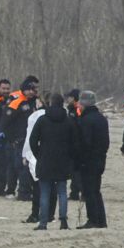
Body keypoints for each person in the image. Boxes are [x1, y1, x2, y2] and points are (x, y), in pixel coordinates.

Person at [29, 93, 78, 230]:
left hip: (45, 159)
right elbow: (74, 143)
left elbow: (33, 140)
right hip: (62, 161)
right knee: (62, 191)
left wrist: (39, 154)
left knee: (45, 192)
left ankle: (43, 222)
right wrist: (69, 157)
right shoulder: (68, 121)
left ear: (50, 104)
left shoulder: (42, 120)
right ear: (62, 103)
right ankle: (63, 221)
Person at [0, 81, 38, 200]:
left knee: (29, 166)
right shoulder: (17, 102)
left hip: (31, 139)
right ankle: (21, 192)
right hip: (20, 140)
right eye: (29, 89)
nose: (31, 92)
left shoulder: (34, 101)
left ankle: (27, 190)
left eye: (33, 89)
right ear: (24, 90)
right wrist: (7, 135)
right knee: (20, 166)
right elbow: (6, 119)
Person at [76, 90, 109, 228]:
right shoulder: (101, 118)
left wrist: (81, 160)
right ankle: (101, 220)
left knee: (89, 191)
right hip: (100, 159)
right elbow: (106, 142)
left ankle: (93, 220)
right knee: (96, 190)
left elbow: (84, 143)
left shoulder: (86, 120)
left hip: (88, 161)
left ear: (83, 104)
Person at [22, 92, 57, 224]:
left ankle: (36, 214)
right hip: (54, 154)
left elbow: (29, 137)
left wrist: (25, 154)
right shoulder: (60, 114)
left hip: (37, 154)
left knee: (38, 186)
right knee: (53, 185)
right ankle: (50, 214)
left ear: (40, 102)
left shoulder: (35, 116)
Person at [65, 89, 83, 201]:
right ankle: (74, 192)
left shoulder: (77, 110)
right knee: (73, 170)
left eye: (69, 97)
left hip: (76, 143)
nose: (68, 99)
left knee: (76, 170)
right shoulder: (71, 109)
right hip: (73, 143)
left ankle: (77, 191)